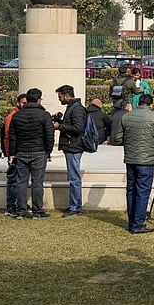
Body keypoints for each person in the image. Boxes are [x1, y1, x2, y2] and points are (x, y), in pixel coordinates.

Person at [113, 93, 154, 233]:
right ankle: (138, 224)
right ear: (151, 105)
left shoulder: (126, 117)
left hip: (130, 159)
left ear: (138, 104)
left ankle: (132, 222)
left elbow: (117, 139)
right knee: (142, 192)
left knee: (131, 190)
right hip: (145, 160)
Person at [9, 88, 54, 219]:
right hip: (39, 152)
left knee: (21, 182)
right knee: (37, 182)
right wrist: (48, 150)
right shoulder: (44, 115)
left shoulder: (17, 115)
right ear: (39, 100)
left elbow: (12, 136)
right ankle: (37, 211)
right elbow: (49, 135)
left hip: (21, 152)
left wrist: (13, 153)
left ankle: (21, 211)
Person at [54, 85, 87, 218]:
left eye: (60, 97)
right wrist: (59, 122)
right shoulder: (73, 107)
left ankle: (75, 207)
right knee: (73, 177)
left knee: (74, 178)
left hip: (74, 146)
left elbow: (78, 128)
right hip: (71, 146)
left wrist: (59, 126)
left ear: (67, 96)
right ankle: (75, 206)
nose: (59, 99)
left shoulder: (77, 109)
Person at [0, 93, 27, 217]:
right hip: (14, 153)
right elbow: (7, 137)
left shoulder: (20, 115)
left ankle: (18, 204)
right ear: (18, 103)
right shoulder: (12, 116)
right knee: (12, 180)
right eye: (23, 102)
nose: (25, 105)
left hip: (19, 152)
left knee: (19, 180)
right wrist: (10, 154)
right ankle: (10, 206)